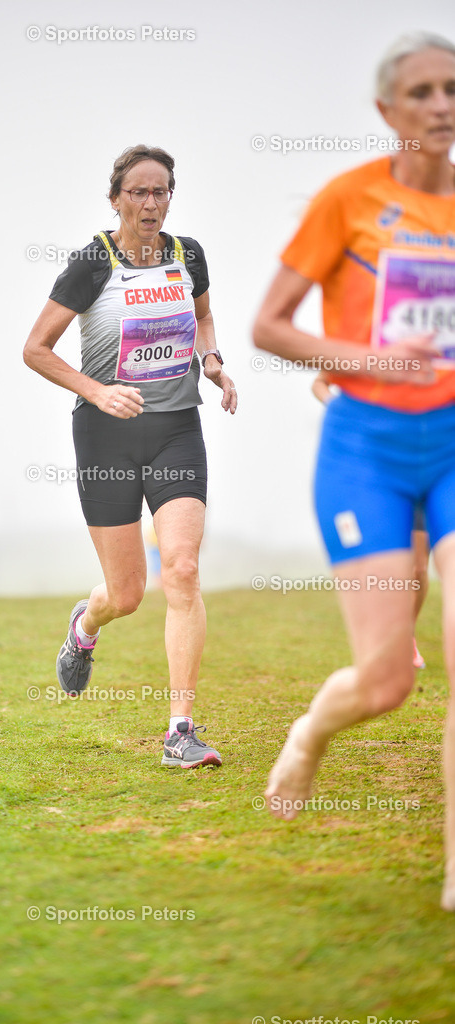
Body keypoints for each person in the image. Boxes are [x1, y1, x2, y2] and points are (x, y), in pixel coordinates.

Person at [252, 33, 455, 909]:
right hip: (365, 451)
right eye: (420, 92)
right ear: (386, 110)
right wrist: (368, 356)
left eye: (452, 88)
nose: (440, 106)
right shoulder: (347, 200)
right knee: (386, 681)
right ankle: (307, 733)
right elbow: (268, 326)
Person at [24, 144, 238, 768]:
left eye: (161, 191)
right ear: (115, 197)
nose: (151, 203)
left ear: (171, 196)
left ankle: (180, 731)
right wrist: (97, 390)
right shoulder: (93, 263)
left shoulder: (188, 254)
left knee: (183, 570)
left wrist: (214, 362)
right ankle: (84, 628)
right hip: (106, 435)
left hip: (177, 429)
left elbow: (202, 317)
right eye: (139, 192)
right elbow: (36, 349)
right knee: (127, 593)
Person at [312, 370, 430, 668]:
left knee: (417, 568)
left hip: (427, 465)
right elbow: (320, 382)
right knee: (378, 560)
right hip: (376, 469)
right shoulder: (371, 348)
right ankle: (384, 639)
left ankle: (406, 634)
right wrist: (341, 410)